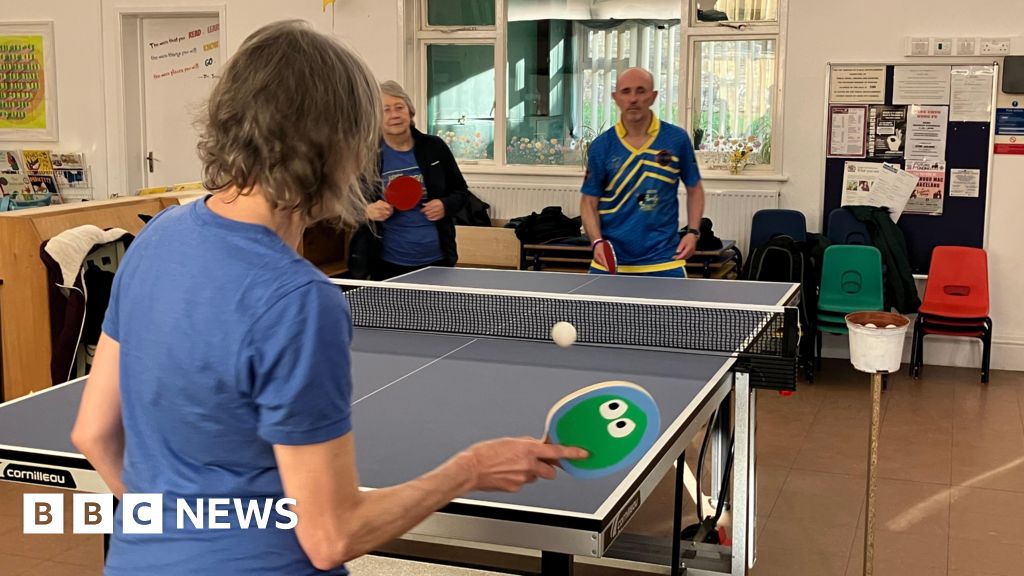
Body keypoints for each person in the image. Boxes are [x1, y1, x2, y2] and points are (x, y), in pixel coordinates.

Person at [70, 20, 585, 576]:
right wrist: (468, 469)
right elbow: (331, 536)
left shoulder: (157, 237)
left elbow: (93, 433)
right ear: (334, 147)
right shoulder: (297, 300)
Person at [580, 67, 706, 278]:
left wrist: (693, 232)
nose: (633, 99)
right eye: (626, 91)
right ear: (615, 97)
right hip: (610, 265)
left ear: (653, 96)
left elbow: (695, 189)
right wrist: (596, 242)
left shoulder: (676, 139)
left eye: (640, 91)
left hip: (664, 263)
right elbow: (588, 202)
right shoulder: (602, 146)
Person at [362, 80, 471, 280]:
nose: (394, 115)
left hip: (437, 261)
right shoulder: (368, 155)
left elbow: (462, 193)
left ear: (410, 112)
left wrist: (445, 204)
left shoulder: (434, 147)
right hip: (387, 263)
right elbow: (346, 203)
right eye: (386, 110)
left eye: (399, 107)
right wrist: (366, 210)